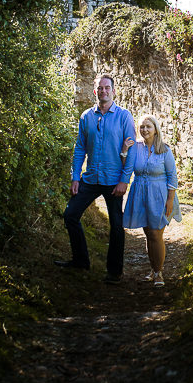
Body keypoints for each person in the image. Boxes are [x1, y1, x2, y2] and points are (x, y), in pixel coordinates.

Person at [55, 74, 136, 284]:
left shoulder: (124, 116)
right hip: (90, 179)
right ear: (95, 91)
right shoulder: (86, 117)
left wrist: (124, 180)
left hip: (113, 181)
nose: (103, 91)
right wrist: (75, 177)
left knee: (116, 226)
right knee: (70, 215)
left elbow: (132, 150)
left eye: (107, 88)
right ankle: (81, 261)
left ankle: (114, 272)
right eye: (100, 88)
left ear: (114, 91)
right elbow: (80, 147)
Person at [121, 114, 181, 287]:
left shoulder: (164, 149)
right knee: (148, 234)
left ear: (155, 129)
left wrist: (170, 200)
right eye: (142, 127)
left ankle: (159, 272)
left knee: (156, 234)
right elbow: (127, 167)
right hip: (140, 194)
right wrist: (125, 150)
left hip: (159, 195)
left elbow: (172, 177)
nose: (145, 130)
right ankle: (153, 269)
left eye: (148, 126)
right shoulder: (136, 148)